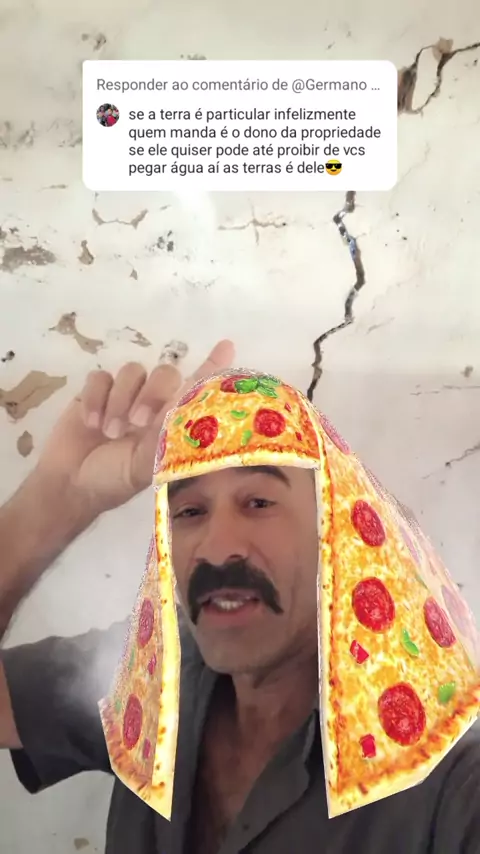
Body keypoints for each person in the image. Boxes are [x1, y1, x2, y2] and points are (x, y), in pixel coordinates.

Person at [0, 340, 479, 854]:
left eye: (258, 502)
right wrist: (64, 492)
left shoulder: (452, 766)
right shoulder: (148, 678)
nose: (217, 547)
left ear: (337, 530)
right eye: (190, 512)